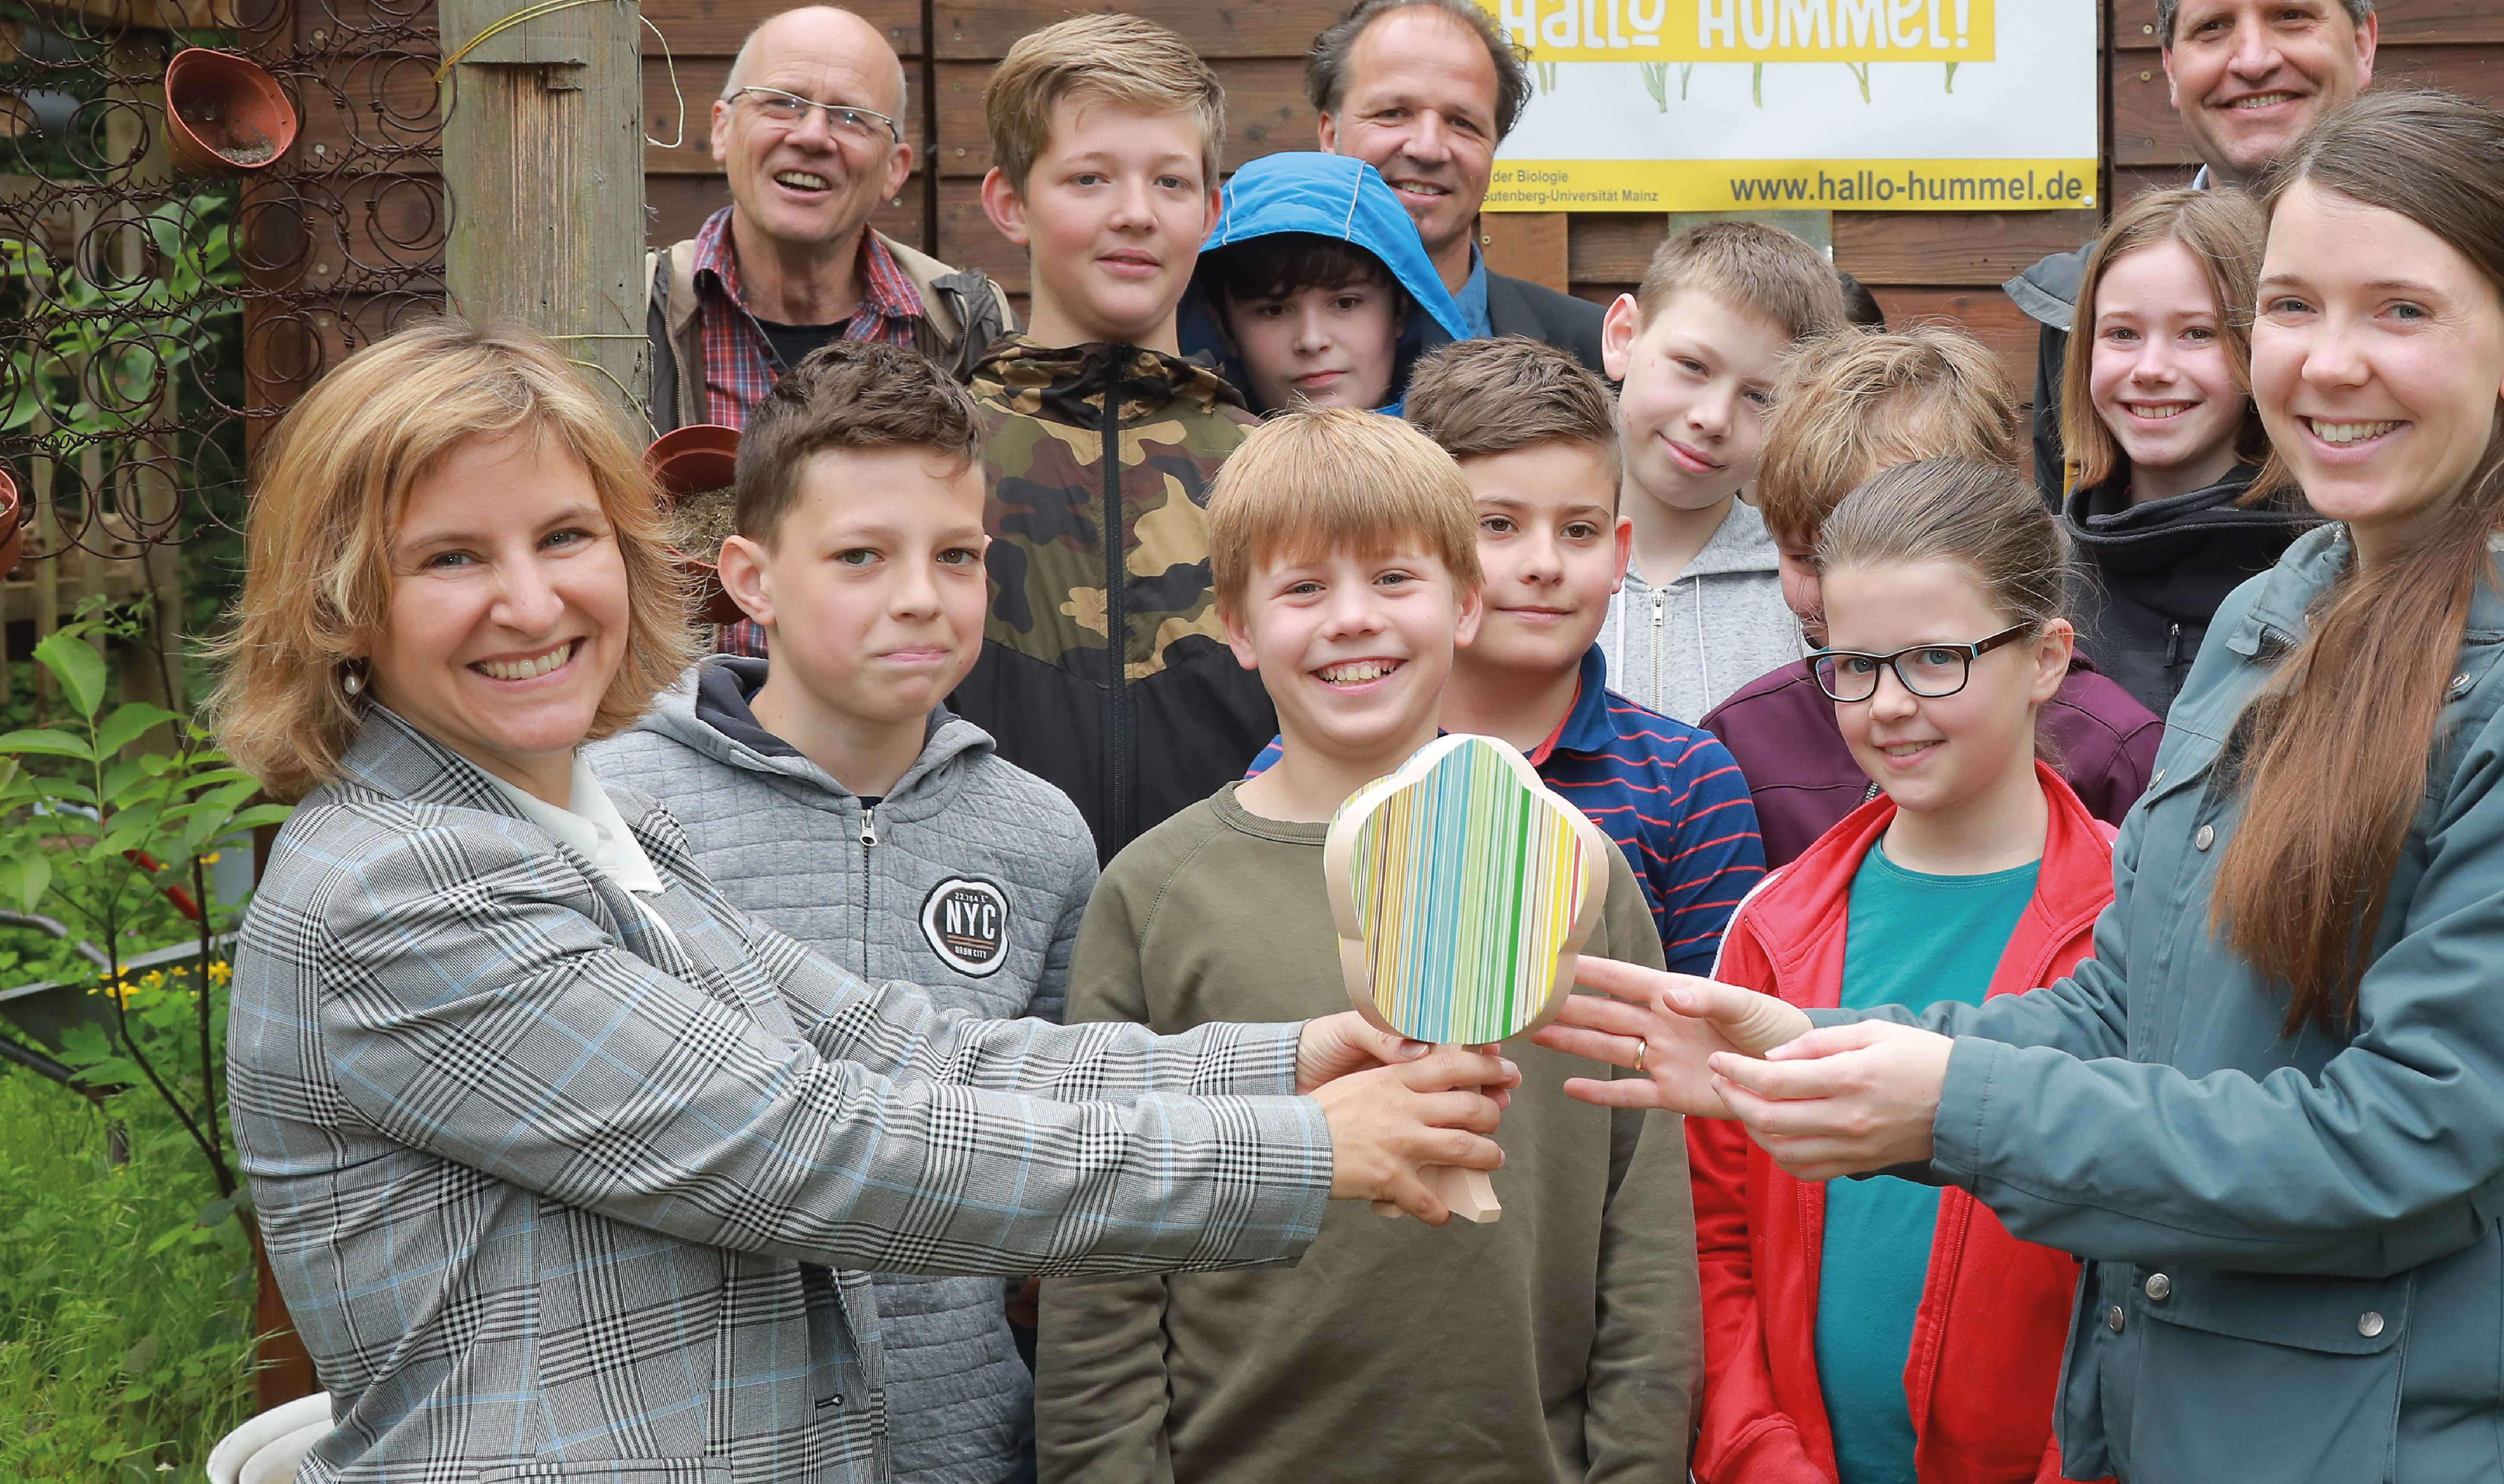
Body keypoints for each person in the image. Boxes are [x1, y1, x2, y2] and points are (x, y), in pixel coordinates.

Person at [1544, 91, 2504, 1484]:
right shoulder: (2274, 617)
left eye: (2401, 311)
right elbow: (2134, 1003)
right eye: (2292, 306)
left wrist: (1952, 1106)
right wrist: (1811, 1045)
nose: (2329, 362)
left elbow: (2417, 1137)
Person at [217, 320, 1518, 1484]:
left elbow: (911, 1047)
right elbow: (815, 1145)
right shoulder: (406, 886)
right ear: (343, 597)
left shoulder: (593, 830)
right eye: (451, 555)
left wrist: (1287, 1062)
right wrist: (1306, 1152)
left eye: (565, 535)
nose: (532, 598)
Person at [1036, 405, 1694, 1484]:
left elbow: (1646, 1220)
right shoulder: (1152, 894)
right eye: (1304, 589)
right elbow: (1103, 1244)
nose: (1353, 620)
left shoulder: (1578, 871)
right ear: (1240, 627)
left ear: (1466, 603)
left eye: (1394, 580)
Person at [592, 341, 1092, 1484]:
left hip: (966, 1450)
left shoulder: (1041, 839)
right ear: (752, 577)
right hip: (697, 1449)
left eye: (956, 556)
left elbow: (1062, 1156)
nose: (920, 595)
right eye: (861, 556)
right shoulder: (618, 811)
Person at [1693, 459, 2114, 1484]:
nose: (1887, 705)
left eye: (1934, 660)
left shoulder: (2137, 919)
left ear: (2047, 657)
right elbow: (1714, 1239)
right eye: (1854, 664)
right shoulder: (1775, 925)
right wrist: (1760, 1456)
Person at [953, 12, 1270, 864]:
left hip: (1216, 932)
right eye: (1089, 179)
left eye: (1169, 184)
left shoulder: (1269, 471)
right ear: (1010, 204)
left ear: (1209, 211)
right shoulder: (936, 455)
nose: (1135, 213)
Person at [1704, 327, 2164, 862]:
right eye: (1806, 559)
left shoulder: (2114, 751)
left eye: (1895, 553)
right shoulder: (1742, 741)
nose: (1838, 592)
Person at [1401, 335, 1765, 974]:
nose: (1543, 565)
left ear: (1619, 552)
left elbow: (1710, 1042)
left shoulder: (1691, 784)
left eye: (1578, 531)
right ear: (1414, 542)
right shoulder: (1335, 758)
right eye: (1498, 524)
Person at [2007, 0, 2379, 488]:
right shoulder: (2079, 303)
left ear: (2362, 44)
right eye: (2212, 28)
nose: (2253, 59)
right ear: (2171, 68)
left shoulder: (2463, 266)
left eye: (2290, 17)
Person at [647, 4, 1015, 434]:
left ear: (894, 169)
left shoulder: (970, 325)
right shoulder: (631, 313)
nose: (812, 136)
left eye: (852, 117)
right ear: (721, 131)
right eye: (782, 103)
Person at [2057, 187, 2317, 716]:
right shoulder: (2040, 576)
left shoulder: (2328, 569)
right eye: (2122, 333)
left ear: (2256, 345)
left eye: (2197, 333)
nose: (2151, 368)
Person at [1592, 220, 1849, 724]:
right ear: (1623, 337)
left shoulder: (1816, 593)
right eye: (1691, 366)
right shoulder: (1521, 565)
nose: (1711, 418)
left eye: (1759, 397)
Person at [1300, 0, 1606, 369]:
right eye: (1393, 113)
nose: (1428, 149)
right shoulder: (1237, 356)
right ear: (1331, 135)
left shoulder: (1596, 356)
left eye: (1463, 123)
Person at [1187, 150, 1471, 416]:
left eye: (1345, 303)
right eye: (1274, 310)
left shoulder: (1485, 462)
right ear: (1225, 328)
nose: (1312, 341)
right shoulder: (1178, 465)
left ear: (1401, 310)